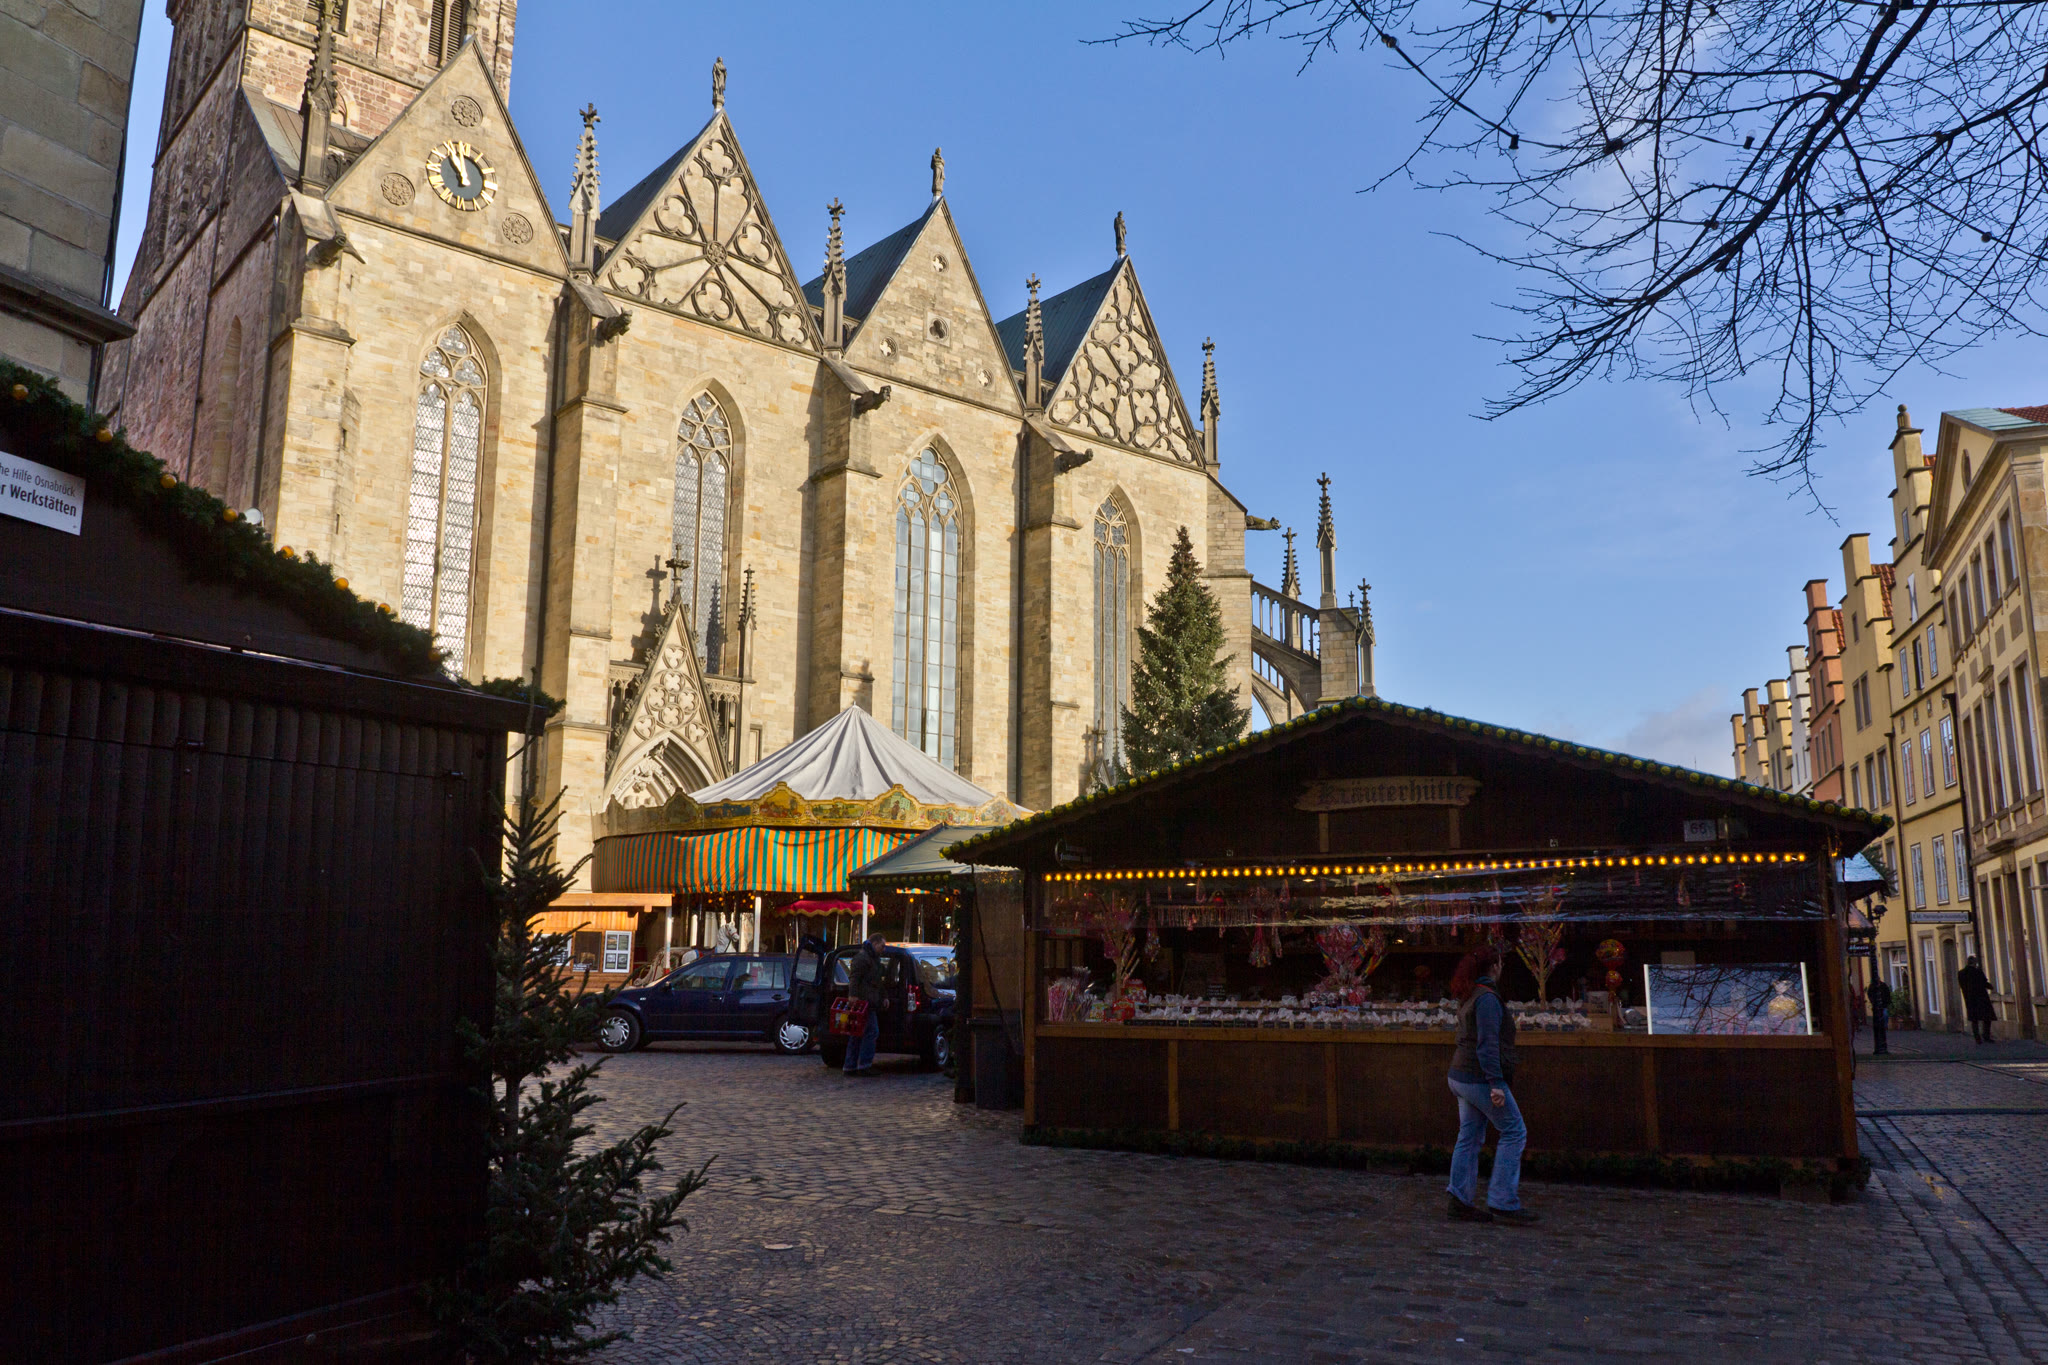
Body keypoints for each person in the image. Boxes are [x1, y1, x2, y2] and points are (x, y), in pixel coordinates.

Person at [1444, 945, 1536, 1226]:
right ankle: (1502, 1200)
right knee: (1514, 1131)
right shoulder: (1486, 999)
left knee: (1469, 1136)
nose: (1501, 968)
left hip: (1461, 1075)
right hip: (1479, 1077)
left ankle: (1459, 1200)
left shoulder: (1470, 994)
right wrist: (1496, 1083)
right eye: (1500, 963)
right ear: (1494, 967)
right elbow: (1487, 1045)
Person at [842, 932, 888, 1075]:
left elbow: (878, 981)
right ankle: (864, 1065)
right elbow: (854, 978)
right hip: (864, 1002)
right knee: (871, 1032)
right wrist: (853, 995)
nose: (884, 949)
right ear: (875, 944)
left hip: (868, 1001)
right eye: (882, 946)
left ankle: (850, 1066)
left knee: (856, 1033)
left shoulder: (872, 958)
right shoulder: (863, 958)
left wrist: (884, 996)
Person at [1958, 955, 1996, 1044]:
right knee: (1987, 1018)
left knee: (1974, 1020)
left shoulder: (1961, 973)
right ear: (1974, 963)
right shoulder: (1977, 972)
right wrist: (1991, 987)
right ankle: (1986, 1036)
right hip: (1981, 998)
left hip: (1969, 999)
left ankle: (1977, 1038)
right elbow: (1984, 983)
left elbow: (1962, 985)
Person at [1866, 973, 1892, 1055]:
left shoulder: (1883, 985)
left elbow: (1887, 994)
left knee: (1885, 1015)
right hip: (1876, 1006)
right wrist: (1873, 1002)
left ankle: (1884, 1026)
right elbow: (1869, 994)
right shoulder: (1872, 986)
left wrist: (1887, 1002)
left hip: (1883, 1005)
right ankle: (1881, 1028)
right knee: (1879, 1017)